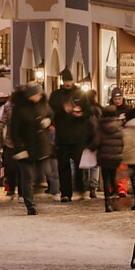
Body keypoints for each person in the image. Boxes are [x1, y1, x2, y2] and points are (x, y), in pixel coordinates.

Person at [2, 77, 52, 215]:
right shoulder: (19, 109)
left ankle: (34, 194)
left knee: (43, 173)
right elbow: (15, 130)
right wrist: (19, 148)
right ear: (30, 95)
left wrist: (48, 120)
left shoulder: (43, 104)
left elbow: (50, 114)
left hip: (41, 147)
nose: (40, 96)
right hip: (25, 148)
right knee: (27, 176)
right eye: (37, 94)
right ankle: (30, 205)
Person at [52, 72, 94, 201]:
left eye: (69, 80)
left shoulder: (81, 94)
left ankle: (82, 189)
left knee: (79, 164)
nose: (67, 83)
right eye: (65, 81)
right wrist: (62, 110)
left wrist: (80, 114)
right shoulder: (56, 95)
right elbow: (51, 112)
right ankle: (66, 193)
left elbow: (89, 111)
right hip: (62, 136)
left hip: (78, 135)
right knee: (63, 166)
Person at [94, 93, 126, 213]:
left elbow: (96, 142)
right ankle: (115, 199)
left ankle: (108, 203)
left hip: (104, 157)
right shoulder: (119, 126)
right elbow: (122, 142)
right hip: (116, 157)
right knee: (113, 178)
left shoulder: (101, 127)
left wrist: (90, 149)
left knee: (106, 179)